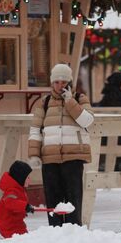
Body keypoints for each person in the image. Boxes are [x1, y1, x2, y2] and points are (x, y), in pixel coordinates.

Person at [28, 64, 94, 226]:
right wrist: (34, 154)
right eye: (56, 82)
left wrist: (69, 101)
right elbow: (35, 130)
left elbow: (87, 121)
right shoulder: (44, 102)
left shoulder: (79, 99)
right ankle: (55, 231)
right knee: (53, 198)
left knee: (74, 198)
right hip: (50, 158)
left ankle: (74, 230)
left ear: (70, 82)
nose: (60, 85)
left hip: (74, 156)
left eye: (64, 82)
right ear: (52, 83)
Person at [0, 161, 34, 238]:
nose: (30, 180)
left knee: (26, 238)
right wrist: (25, 206)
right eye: (27, 177)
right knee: (21, 240)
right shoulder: (12, 190)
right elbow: (10, 202)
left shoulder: (18, 188)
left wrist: (24, 209)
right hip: (8, 224)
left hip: (16, 222)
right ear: (20, 178)